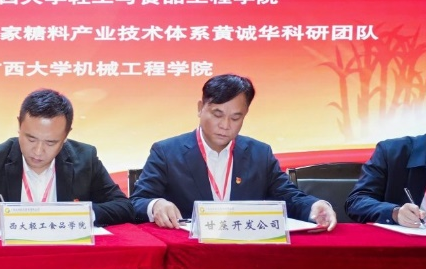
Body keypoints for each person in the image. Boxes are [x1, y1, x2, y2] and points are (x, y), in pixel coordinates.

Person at [130, 74, 337, 230]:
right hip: (189, 254)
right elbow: (137, 202)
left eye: (236, 118)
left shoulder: (260, 154)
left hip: (246, 252)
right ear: (201, 108)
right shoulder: (167, 152)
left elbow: (289, 197)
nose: (225, 125)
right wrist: (155, 204)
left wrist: (314, 206)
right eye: (217, 114)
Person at [0, 88, 134, 228]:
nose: (38, 151)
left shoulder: (85, 158)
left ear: (66, 135)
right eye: (30, 139)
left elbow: (124, 206)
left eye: (50, 142)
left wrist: (81, 215)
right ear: (19, 126)